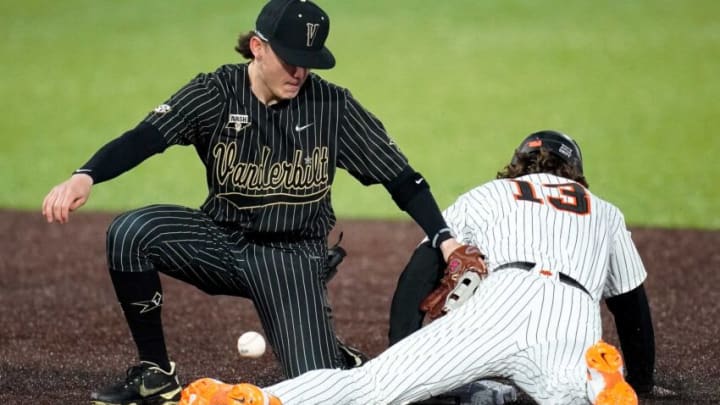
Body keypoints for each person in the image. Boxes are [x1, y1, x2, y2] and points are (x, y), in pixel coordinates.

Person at [41, 1, 474, 404]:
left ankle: (334, 356)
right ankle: (154, 371)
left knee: (318, 386)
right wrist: (87, 173)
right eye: (289, 58)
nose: (299, 71)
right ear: (257, 47)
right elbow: (146, 138)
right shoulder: (214, 92)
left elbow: (402, 178)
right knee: (130, 233)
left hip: (291, 258)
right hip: (218, 240)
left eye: (308, 61)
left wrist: (444, 238)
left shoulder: (331, 105)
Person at [178, 130, 649, 405]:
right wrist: (645, 382)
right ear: (575, 174)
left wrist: (409, 347)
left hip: (501, 303)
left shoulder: (490, 194)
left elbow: (420, 269)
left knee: (373, 386)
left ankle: (259, 400)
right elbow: (631, 305)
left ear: (518, 164)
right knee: (566, 390)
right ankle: (600, 380)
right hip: (572, 311)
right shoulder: (603, 210)